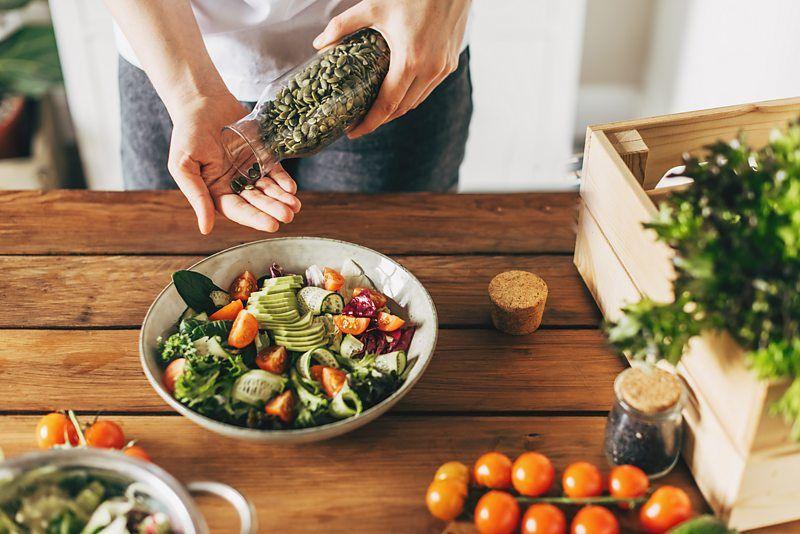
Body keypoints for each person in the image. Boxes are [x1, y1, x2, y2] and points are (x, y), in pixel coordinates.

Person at [106, 0, 473, 235]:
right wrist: (191, 95)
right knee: (178, 269)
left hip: (394, 46)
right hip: (166, 47)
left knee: (389, 271)